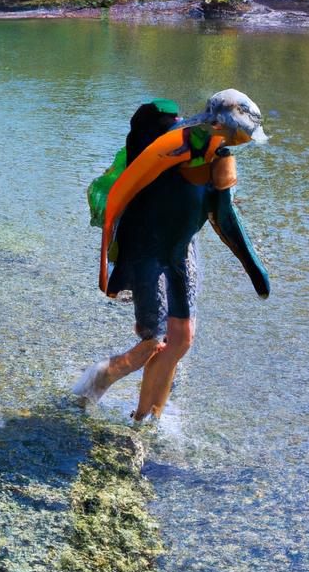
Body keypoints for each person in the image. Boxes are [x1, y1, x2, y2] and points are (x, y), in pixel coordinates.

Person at [74, 89, 271, 421]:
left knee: (181, 340)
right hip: (147, 250)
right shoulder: (171, 148)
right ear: (221, 125)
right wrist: (110, 262)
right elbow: (128, 194)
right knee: (153, 343)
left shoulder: (221, 157)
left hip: (182, 251)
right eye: (243, 134)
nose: (246, 141)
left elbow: (224, 218)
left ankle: (146, 421)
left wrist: (253, 268)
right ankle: (98, 378)